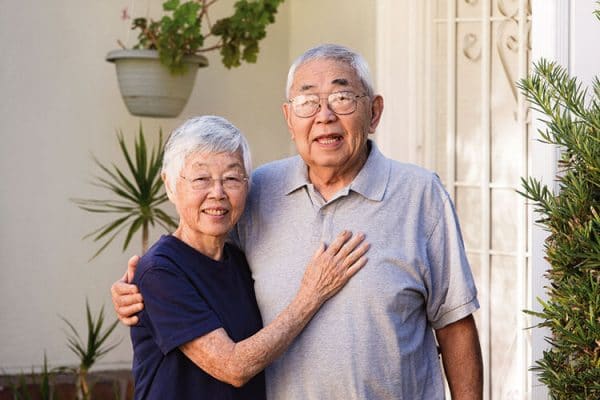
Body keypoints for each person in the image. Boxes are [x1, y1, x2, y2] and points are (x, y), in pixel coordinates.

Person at [113, 44, 484, 399]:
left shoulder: (420, 194)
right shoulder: (260, 190)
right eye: (307, 102)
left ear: (373, 112)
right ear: (290, 119)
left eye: (342, 98)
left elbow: (454, 324)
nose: (324, 116)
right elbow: (198, 250)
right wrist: (138, 286)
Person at [127, 115, 370, 400]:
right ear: (170, 186)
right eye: (201, 179)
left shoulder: (242, 261)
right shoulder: (160, 272)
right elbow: (233, 367)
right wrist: (312, 295)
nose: (217, 193)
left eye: (231, 178)